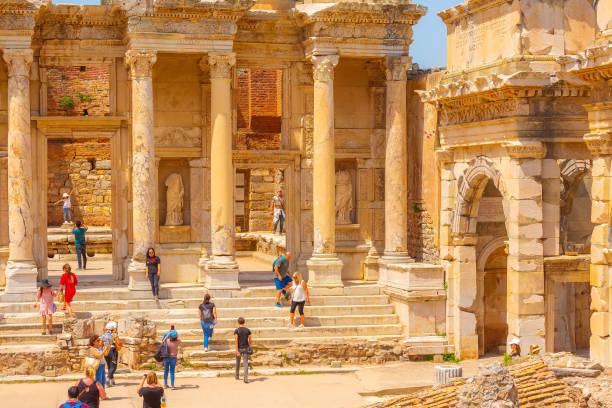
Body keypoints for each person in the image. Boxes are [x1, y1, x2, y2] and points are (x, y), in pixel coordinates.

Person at [101, 321, 121, 386]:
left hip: (106, 351)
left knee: (110, 366)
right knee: (113, 367)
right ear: (113, 328)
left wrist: (103, 351)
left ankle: (112, 381)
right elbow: (118, 342)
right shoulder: (114, 334)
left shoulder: (104, 335)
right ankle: (107, 379)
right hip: (112, 351)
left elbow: (101, 344)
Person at [234, 317, 252, 383]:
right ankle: (246, 378)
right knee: (245, 363)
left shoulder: (237, 330)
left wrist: (237, 350)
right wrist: (250, 347)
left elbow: (236, 340)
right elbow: (250, 340)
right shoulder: (248, 330)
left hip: (239, 348)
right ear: (244, 322)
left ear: (238, 322)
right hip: (246, 348)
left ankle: (237, 376)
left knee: (237, 363)